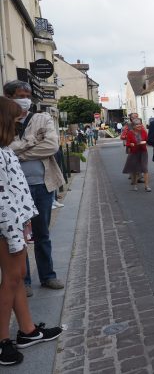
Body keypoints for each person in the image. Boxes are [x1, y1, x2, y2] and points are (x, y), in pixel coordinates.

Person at [0, 97, 63, 366]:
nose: (17, 128)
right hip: (7, 225)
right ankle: (2, 340)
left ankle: (27, 330)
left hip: (16, 221)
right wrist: (14, 227)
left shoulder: (6, 150)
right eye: (14, 122)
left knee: (19, 275)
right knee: (12, 280)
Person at [5, 81, 65, 297]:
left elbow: (51, 146)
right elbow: (5, 148)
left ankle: (48, 276)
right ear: (9, 97)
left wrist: (19, 152)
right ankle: (25, 281)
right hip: (13, 189)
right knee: (19, 237)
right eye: (21, 95)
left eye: (28, 95)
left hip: (42, 185)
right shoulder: (4, 120)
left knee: (42, 234)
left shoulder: (42, 118)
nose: (25, 99)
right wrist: (32, 141)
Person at [122, 119, 151, 192]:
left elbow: (147, 140)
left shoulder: (144, 132)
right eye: (137, 124)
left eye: (140, 124)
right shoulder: (130, 133)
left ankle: (147, 186)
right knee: (134, 169)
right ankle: (135, 185)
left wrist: (147, 142)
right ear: (133, 126)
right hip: (134, 152)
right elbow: (127, 143)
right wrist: (130, 144)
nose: (139, 125)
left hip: (143, 152)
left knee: (145, 168)